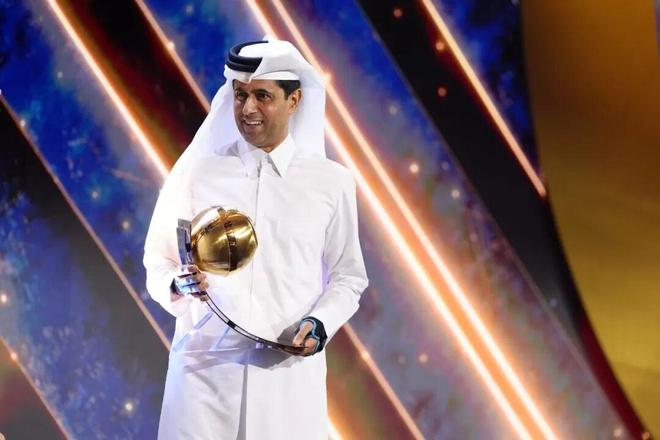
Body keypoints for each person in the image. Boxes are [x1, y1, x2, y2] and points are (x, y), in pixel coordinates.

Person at [143, 39, 368, 440]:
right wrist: (178, 285)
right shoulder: (199, 173)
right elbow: (158, 261)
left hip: (286, 385)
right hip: (203, 381)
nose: (247, 109)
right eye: (240, 95)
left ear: (294, 100)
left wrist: (319, 324)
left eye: (262, 96)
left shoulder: (331, 182)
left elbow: (349, 277)